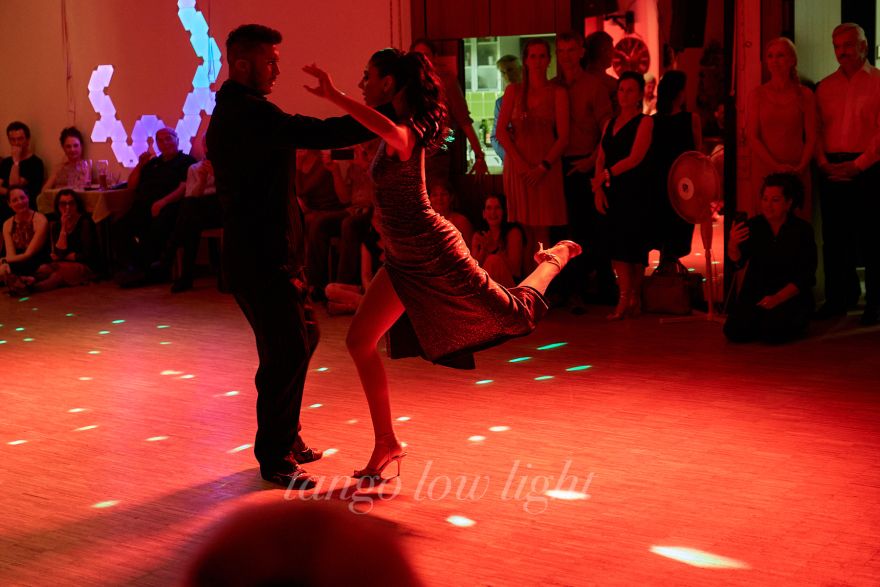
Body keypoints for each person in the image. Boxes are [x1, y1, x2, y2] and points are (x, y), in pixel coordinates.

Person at [303, 48, 581, 480]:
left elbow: (388, 130)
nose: (363, 83)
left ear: (389, 84)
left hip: (434, 251)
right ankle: (387, 442)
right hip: (402, 260)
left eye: (367, 76)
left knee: (515, 315)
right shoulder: (396, 129)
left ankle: (553, 259)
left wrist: (334, 94)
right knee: (359, 342)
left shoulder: (406, 132)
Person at [206, 24, 388, 488]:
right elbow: (318, 132)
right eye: (269, 61)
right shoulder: (246, 114)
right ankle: (275, 457)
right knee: (284, 352)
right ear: (242, 64)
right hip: (260, 259)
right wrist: (383, 115)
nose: (276, 69)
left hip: (272, 256)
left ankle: (286, 437)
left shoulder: (246, 110)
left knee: (300, 340)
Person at [814, 23, 880, 325]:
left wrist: (858, 165)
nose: (842, 52)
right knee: (835, 237)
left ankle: (875, 303)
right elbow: (816, 129)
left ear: (863, 46)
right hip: (831, 166)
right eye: (837, 46)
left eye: (848, 45)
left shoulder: (878, 82)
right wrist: (823, 163)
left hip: (869, 169)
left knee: (872, 237)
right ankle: (839, 297)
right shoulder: (825, 87)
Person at [553, 30, 615, 308]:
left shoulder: (594, 86)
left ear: (581, 52)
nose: (566, 56)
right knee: (559, 229)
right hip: (556, 165)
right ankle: (562, 288)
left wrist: (593, 160)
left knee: (584, 230)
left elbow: (607, 129)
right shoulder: (552, 86)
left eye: (571, 50)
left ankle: (582, 289)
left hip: (586, 162)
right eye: (561, 50)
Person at [496, 38, 570, 264]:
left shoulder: (558, 93)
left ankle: (544, 280)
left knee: (542, 233)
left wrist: (542, 167)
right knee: (525, 231)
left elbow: (564, 137)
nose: (537, 61)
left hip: (546, 167)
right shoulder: (513, 91)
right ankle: (528, 280)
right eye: (533, 56)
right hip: (519, 166)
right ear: (526, 60)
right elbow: (500, 131)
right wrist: (520, 164)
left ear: (549, 60)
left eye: (542, 56)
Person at [725, 173, 816, 343]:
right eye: (765, 199)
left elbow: (806, 276)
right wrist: (733, 244)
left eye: (775, 200)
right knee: (734, 330)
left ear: (788, 203)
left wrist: (778, 298)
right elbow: (738, 262)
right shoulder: (754, 226)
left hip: (788, 294)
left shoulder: (802, 230)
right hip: (758, 292)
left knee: (772, 332)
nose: (768, 205)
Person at [593, 72, 654, 320]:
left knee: (634, 248)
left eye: (630, 90)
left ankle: (634, 297)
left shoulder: (645, 122)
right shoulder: (609, 123)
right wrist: (598, 187)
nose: (624, 95)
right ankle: (623, 298)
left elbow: (636, 157)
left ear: (639, 94)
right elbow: (600, 157)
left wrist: (607, 174)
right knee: (617, 248)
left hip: (635, 190)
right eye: (621, 90)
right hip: (612, 190)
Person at [746, 37, 816, 220]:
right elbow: (752, 136)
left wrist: (800, 167)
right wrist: (775, 166)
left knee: (797, 222)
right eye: (770, 56)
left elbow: (812, 136)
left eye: (780, 55)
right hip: (765, 168)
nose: (774, 61)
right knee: (766, 221)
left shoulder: (805, 95)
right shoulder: (757, 95)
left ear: (792, 60)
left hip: (797, 168)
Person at [116, 126, 195, 284]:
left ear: (177, 140)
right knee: (120, 227)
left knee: (156, 226)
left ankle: (148, 270)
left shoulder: (186, 161)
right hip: (144, 206)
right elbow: (131, 185)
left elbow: (184, 187)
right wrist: (140, 165)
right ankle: (131, 267)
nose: (165, 143)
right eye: (160, 140)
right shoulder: (153, 164)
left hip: (169, 205)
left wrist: (163, 202)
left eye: (168, 138)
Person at [410, 38, 489, 182]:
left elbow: (464, 120)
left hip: (438, 154)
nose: (422, 59)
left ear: (434, 57)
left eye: (426, 54)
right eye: (418, 55)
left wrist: (479, 155)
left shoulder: (446, 81)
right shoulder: (407, 84)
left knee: (438, 193)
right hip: (412, 155)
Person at [650, 70, 702, 263]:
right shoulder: (690, 119)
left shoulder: (653, 121)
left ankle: (667, 266)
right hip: (683, 183)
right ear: (679, 93)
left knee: (666, 230)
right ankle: (670, 267)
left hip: (662, 182)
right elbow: (697, 153)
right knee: (678, 227)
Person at [157, 141, 221, 293]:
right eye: (206, 144)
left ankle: (170, 260)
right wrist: (202, 179)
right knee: (191, 215)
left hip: (220, 209)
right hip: (199, 211)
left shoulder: (227, 167)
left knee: (189, 213)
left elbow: (230, 193)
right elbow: (193, 194)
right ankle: (184, 275)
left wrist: (216, 174)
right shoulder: (194, 168)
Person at [26, 189, 99, 293]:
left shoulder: (85, 222)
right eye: (63, 204)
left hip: (85, 265)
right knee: (43, 269)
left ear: (77, 204)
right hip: (65, 262)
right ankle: (25, 281)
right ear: (58, 206)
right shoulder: (57, 225)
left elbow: (88, 255)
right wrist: (63, 227)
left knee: (57, 276)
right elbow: (59, 252)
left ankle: (31, 289)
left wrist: (64, 256)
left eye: (71, 203)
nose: (67, 207)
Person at [0, 187, 49, 296]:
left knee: (4, 269)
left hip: (36, 260)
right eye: (15, 200)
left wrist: (4, 261)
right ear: (9, 204)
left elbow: (28, 254)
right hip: (17, 261)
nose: (20, 202)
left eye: (22, 198)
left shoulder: (40, 220)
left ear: (28, 198)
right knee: (4, 268)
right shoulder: (7, 223)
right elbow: (11, 255)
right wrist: (5, 262)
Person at [471, 193, 525, 288]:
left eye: (497, 208)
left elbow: (516, 270)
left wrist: (494, 249)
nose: (493, 212)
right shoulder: (478, 236)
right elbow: (472, 270)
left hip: (509, 286)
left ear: (504, 212)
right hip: (483, 284)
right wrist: (483, 250)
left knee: (493, 260)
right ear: (484, 214)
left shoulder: (513, 232)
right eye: (489, 208)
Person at [0, 122, 44, 220]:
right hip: (6, 204)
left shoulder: (35, 163)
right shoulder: (6, 162)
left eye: (20, 139)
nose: (16, 143)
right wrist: (9, 193)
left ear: (27, 140)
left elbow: (14, 186)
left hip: (24, 206)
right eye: (12, 140)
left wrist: (16, 161)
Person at [490, 55, 522, 163]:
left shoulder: (533, 96)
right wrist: (511, 157)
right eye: (503, 72)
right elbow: (495, 137)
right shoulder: (500, 103)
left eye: (510, 70)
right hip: (511, 160)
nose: (507, 75)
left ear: (520, 69)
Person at [427, 182, 473, 246]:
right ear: (429, 199)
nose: (439, 198)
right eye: (435, 195)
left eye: (443, 194)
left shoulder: (462, 222)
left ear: (451, 197)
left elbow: (469, 248)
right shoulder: (424, 222)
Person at [584, 31, 618, 114]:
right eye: (611, 49)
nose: (613, 53)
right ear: (604, 51)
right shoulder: (613, 85)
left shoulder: (579, 80)